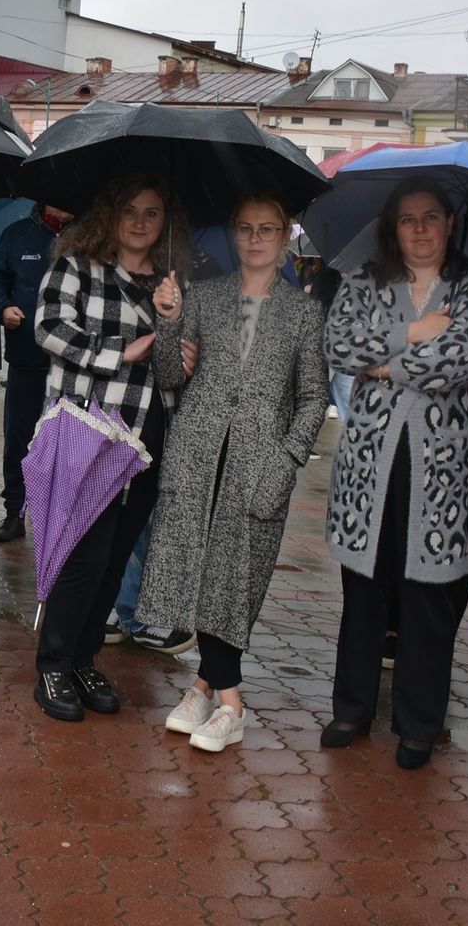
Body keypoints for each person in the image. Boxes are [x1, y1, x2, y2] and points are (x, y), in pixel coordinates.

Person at [321, 177, 468, 769]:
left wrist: (381, 367)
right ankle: (351, 706)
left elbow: (462, 357)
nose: (420, 229)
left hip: (442, 472)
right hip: (368, 467)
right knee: (364, 590)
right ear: (391, 227)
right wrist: (413, 333)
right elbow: (338, 346)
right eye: (408, 219)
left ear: (450, 224)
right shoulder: (365, 282)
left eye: (431, 217)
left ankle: (419, 722)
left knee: (429, 599)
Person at [137, 194, 327, 751]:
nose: (255, 238)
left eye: (267, 228)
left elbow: (314, 397)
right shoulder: (205, 295)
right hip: (198, 452)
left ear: (285, 234)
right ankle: (213, 691)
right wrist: (169, 323)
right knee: (198, 572)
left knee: (236, 577)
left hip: (260, 461)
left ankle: (227, 700)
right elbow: (171, 375)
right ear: (234, 233)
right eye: (245, 228)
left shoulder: (302, 312)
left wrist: (288, 458)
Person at [29, 174, 191, 720]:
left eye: (152, 212)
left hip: (148, 433)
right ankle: (52, 663)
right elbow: (48, 328)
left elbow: (173, 368)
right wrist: (122, 351)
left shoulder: (172, 285)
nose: (141, 222)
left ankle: (83, 656)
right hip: (89, 430)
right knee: (83, 552)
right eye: (130, 209)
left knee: (117, 555)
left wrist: (175, 338)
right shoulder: (76, 265)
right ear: (109, 213)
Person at [0, 203, 70, 544]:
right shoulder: (16, 234)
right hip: (26, 357)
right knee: (19, 439)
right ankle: (14, 512)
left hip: (72, 364)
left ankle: (62, 518)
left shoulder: (91, 237)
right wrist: (2, 307)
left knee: (68, 443)